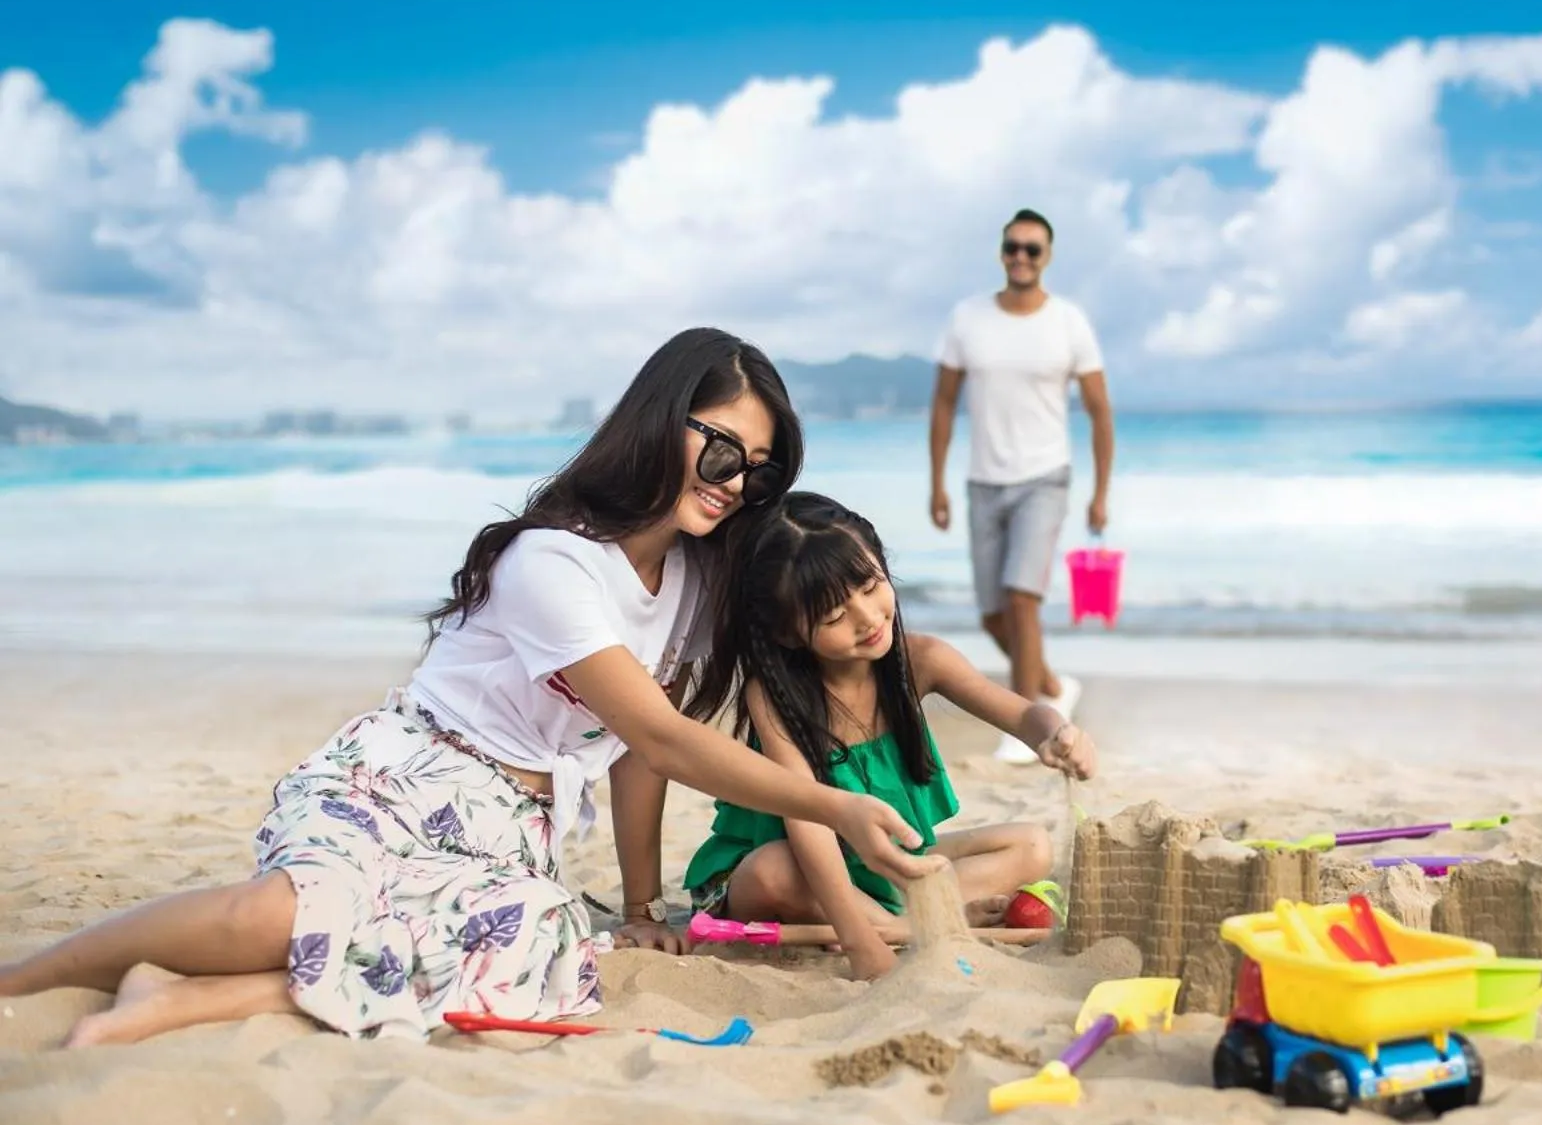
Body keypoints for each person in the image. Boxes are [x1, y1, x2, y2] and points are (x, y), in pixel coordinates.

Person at [0, 329, 938, 1046]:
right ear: (663, 422)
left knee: (545, 947)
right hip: (400, 780)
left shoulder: (697, 585)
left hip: (506, 834)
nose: (738, 483)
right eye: (723, 450)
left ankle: (188, 995)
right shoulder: (552, 562)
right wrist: (833, 806)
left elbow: (627, 754)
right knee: (281, 912)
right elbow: (658, 737)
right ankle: (24, 979)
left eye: (760, 469)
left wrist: (646, 908)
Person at [682, 492, 1096, 981]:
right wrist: (858, 941)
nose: (867, 618)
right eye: (834, 616)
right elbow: (807, 825)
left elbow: (1024, 715)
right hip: (792, 871)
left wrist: (1055, 733)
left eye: (869, 584)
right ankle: (903, 923)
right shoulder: (774, 695)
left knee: (1031, 847)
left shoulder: (923, 660)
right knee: (772, 869)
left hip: (877, 867)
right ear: (789, 633)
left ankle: (903, 918)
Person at [929, 208, 1114, 761]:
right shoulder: (967, 319)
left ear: (1047, 256)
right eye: (1013, 246)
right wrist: (936, 483)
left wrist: (1100, 493)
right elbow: (943, 403)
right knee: (991, 613)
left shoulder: (1069, 322)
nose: (1021, 257)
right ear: (1001, 251)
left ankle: (1028, 724)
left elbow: (1100, 412)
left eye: (1032, 249)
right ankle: (1055, 689)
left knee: (1021, 599)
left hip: (1045, 477)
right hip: (983, 481)